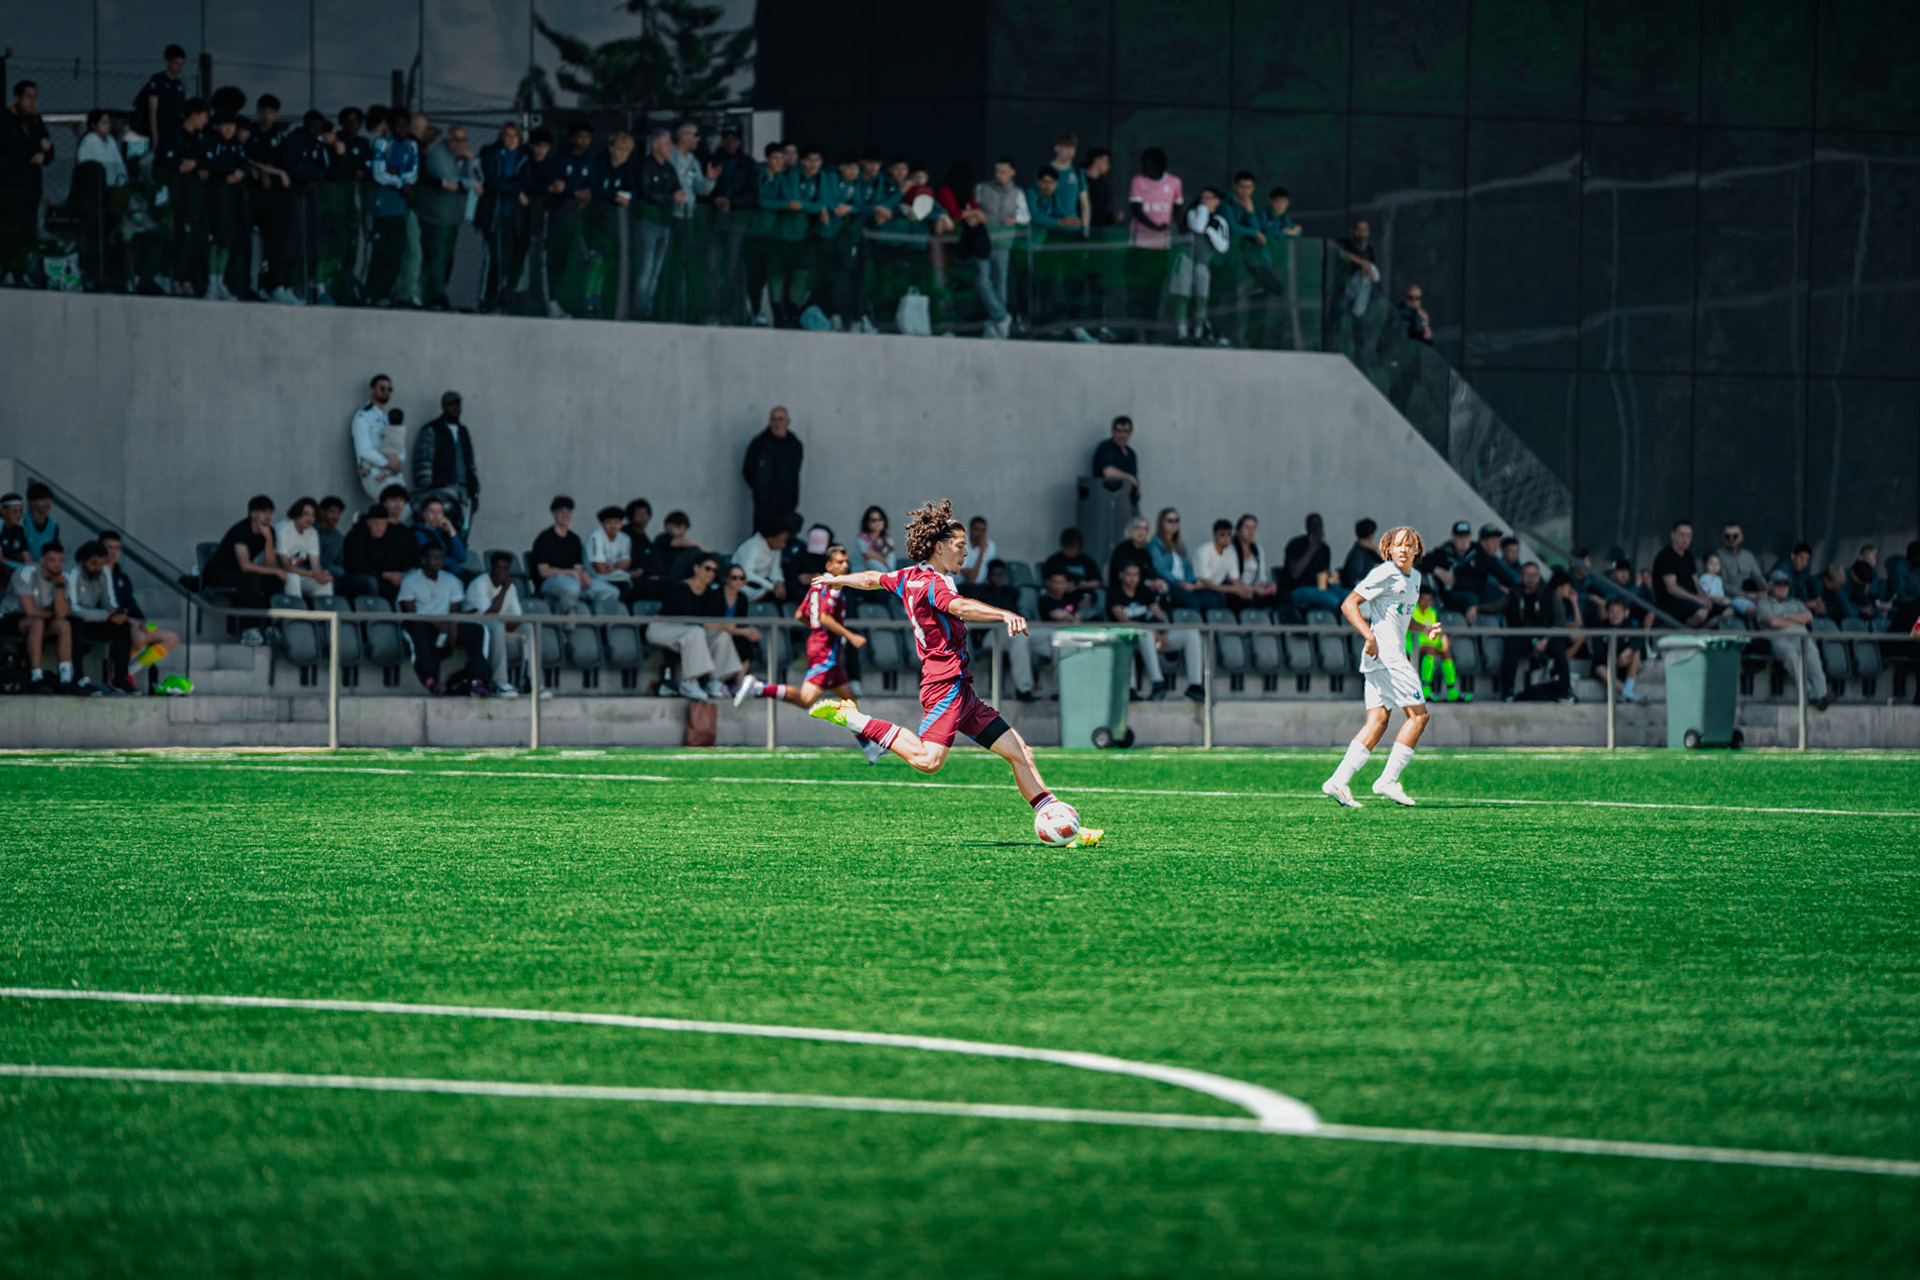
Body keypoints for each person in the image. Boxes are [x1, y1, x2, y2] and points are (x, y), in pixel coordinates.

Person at [804, 501, 1102, 844]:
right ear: (940, 547)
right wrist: (1003, 614)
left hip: (962, 690)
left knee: (1020, 752)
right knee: (928, 761)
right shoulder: (933, 584)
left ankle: (1063, 824)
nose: (966, 554)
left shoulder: (908, 576)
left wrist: (838, 579)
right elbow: (959, 606)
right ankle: (853, 718)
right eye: (961, 547)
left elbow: (872, 578)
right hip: (944, 686)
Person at [735, 544, 886, 760]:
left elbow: (799, 615)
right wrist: (849, 635)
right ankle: (759, 687)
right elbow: (824, 617)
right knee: (807, 699)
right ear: (828, 565)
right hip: (826, 650)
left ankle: (869, 746)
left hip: (821, 645)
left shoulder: (818, 585)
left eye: (846, 562)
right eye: (839, 562)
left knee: (849, 700)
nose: (845, 566)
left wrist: (817, 629)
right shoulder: (832, 588)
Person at [1323, 526, 1437, 808]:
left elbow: (1399, 615)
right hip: (1387, 657)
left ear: (1417, 550)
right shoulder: (1384, 572)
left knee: (1378, 721)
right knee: (1419, 717)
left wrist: (1423, 628)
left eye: (1408, 545)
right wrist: (1369, 635)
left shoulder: (1416, 578)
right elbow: (1349, 604)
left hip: (1382, 658)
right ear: (1388, 549)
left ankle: (1338, 781)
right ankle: (1387, 780)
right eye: (1397, 545)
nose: (1402, 549)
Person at [649, 553, 745, 701]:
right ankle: (689, 682)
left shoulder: (709, 593)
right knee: (695, 631)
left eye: (714, 571)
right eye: (707, 569)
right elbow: (689, 619)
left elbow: (709, 620)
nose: (711, 573)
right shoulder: (682, 588)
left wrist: (723, 628)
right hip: (661, 629)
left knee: (721, 636)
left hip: (688, 632)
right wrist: (722, 626)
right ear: (696, 568)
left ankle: (715, 681)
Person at [1108, 560, 1206, 703]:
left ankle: (1195, 685)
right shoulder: (1115, 592)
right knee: (1145, 633)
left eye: (1135, 575)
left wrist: (1163, 633)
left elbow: (1159, 615)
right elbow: (1123, 620)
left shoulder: (1143, 590)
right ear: (1121, 575)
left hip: (1153, 638)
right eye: (1128, 575)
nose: (1132, 578)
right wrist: (1153, 632)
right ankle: (1157, 683)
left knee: (1191, 633)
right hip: (1127, 640)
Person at [98, 529, 180, 691]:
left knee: (172, 638)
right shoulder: (96, 574)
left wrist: (140, 621)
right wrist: (130, 621)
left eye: (117, 548)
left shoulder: (122, 577)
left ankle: (128, 672)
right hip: (111, 622)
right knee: (139, 638)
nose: (113, 552)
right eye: (109, 547)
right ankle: (116, 672)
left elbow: (132, 604)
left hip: (132, 622)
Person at [419, 124, 482, 311]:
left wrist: (471, 161)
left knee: (447, 259)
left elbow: (479, 180)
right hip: (435, 217)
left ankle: (440, 293)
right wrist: (470, 184)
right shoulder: (437, 156)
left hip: (452, 218)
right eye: (457, 140)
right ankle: (432, 297)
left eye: (464, 140)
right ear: (449, 140)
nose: (461, 144)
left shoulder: (462, 158)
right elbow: (451, 183)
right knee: (436, 258)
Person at [209, 495, 287, 643]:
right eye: (264, 512)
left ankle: (271, 627)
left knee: (274, 579)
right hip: (219, 572)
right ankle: (249, 629)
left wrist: (269, 540)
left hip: (240, 572)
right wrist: (276, 570)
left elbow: (269, 565)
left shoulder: (269, 532)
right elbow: (245, 566)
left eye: (270, 512)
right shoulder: (241, 530)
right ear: (253, 513)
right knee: (250, 577)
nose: (268, 516)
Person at [4, 541, 79, 693]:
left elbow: (63, 614)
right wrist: (54, 614)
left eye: (60, 561)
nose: (57, 565)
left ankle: (66, 678)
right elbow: (30, 610)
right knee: (37, 623)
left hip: (41, 620)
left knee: (64, 626)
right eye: (52, 560)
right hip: (10, 617)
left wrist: (59, 586)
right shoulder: (26, 572)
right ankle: (36, 676)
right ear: (43, 560)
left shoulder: (63, 579)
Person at [1756, 567, 1834, 712]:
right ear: (1771, 585)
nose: (1782, 587)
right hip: (1779, 639)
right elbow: (1773, 623)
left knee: (1813, 656)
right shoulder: (1764, 603)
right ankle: (1810, 694)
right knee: (1792, 657)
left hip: (1801, 637)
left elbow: (1808, 616)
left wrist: (1785, 617)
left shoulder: (1795, 602)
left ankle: (1822, 695)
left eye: (1785, 584)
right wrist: (1796, 620)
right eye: (1778, 583)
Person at [1, 80, 54, 282]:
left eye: (35, 97)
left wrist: (44, 152)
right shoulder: (7, 119)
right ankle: (6, 268)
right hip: (11, 187)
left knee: (27, 233)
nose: (33, 102)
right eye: (28, 97)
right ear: (17, 98)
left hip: (31, 189)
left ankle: (20, 270)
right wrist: (35, 150)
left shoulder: (36, 121)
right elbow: (13, 146)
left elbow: (48, 149)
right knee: (9, 230)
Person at [396, 542, 466, 694]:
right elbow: (410, 612)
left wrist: (452, 627)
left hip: (445, 626)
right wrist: (438, 624)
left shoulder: (451, 580)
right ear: (424, 560)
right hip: (421, 624)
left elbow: (455, 609)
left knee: (478, 631)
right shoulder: (410, 580)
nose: (438, 562)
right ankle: (429, 678)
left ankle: (476, 679)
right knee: (418, 631)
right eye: (434, 558)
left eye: (440, 558)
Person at [65, 540, 134, 691]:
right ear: (83, 560)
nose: (97, 567)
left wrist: (116, 614)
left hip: (95, 618)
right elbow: (72, 609)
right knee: (76, 624)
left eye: (101, 563)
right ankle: (78, 678)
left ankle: (120, 679)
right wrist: (105, 614)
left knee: (122, 626)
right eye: (94, 563)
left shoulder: (104, 572)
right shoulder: (72, 572)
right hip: (72, 620)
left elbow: (109, 601)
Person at [532, 495, 618, 614]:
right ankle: (568, 617)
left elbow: (578, 567)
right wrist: (569, 573)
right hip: (551, 582)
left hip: (573, 580)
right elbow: (544, 572)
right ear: (554, 514)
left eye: (568, 511)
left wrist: (584, 575)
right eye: (561, 511)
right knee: (573, 588)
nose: (565, 514)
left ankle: (594, 619)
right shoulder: (544, 538)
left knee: (611, 591)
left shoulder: (574, 539)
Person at [411, 390, 481, 535]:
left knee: (461, 531)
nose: (455, 408)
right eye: (451, 404)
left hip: (463, 492)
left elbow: (470, 464)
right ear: (443, 406)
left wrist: (475, 493)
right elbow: (423, 462)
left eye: (457, 404)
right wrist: (428, 493)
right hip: (440, 490)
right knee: (440, 531)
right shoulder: (431, 430)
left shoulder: (463, 431)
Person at [1500, 562, 1571, 701]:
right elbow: (1498, 606)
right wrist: (1477, 609)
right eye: (1528, 575)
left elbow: (1560, 622)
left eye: (1534, 575)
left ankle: (1565, 691)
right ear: (1521, 576)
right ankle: (1507, 690)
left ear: (1539, 576)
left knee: (1559, 649)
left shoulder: (1549, 593)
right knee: (1511, 646)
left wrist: (1545, 639)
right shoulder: (1515, 592)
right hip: (1527, 637)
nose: (1531, 579)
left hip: (1548, 637)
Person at [462, 550, 523, 698]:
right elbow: (490, 615)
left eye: (506, 569)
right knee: (496, 625)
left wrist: (512, 623)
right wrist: (504, 590)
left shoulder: (510, 587)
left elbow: (517, 617)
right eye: (498, 568)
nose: (502, 572)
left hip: (498, 628)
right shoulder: (479, 584)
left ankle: (532, 682)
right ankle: (500, 682)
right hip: (476, 629)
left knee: (529, 628)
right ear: (491, 568)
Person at [742, 406, 803, 533]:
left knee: (784, 538)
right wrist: (760, 488)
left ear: (788, 422)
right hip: (765, 505)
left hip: (787, 504)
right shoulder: (760, 444)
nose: (777, 423)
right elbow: (748, 471)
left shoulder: (794, 444)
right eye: (773, 420)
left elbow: (796, 468)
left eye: (780, 419)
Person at [340, 503, 416, 601]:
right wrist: (383, 574)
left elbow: (393, 560)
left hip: (383, 577)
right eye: (376, 524)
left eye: (383, 524)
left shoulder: (388, 538)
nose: (380, 528)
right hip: (359, 577)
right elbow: (355, 565)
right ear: (368, 522)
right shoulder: (355, 536)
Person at [1147, 507, 1217, 611]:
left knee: (1212, 599)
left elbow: (1187, 568)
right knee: (1192, 601)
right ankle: (1194, 627)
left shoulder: (1180, 545)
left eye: (1176, 520)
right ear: (1162, 522)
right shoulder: (1155, 544)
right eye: (1170, 520)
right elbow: (1160, 569)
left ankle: (1211, 627)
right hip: (1170, 584)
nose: (1174, 523)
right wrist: (1180, 583)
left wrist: (1193, 582)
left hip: (1185, 582)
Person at [1408, 584, 1467, 703]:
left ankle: (1452, 690)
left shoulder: (1433, 612)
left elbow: (1437, 630)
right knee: (1431, 651)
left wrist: (1443, 639)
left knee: (1446, 653)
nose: (1427, 602)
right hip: (1412, 645)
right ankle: (1425, 689)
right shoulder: (1411, 611)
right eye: (1423, 599)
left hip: (1431, 644)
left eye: (1429, 600)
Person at [352, 375, 405, 501]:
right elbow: (363, 450)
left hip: (394, 473)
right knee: (394, 510)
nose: (386, 392)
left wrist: (399, 460)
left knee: (405, 512)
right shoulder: (363, 416)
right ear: (372, 390)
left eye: (389, 389)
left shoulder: (390, 417)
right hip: (375, 474)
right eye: (382, 388)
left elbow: (400, 443)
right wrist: (387, 463)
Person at [1279, 513, 1345, 615]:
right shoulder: (1296, 545)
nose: (1317, 528)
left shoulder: (1325, 549)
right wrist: (1312, 548)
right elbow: (1295, 573)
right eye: (1314, 525)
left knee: (1349, 597)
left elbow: (1325, 575)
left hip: (1319, 588)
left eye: (1319, 525)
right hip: (1297, 588)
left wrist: (1334, 577)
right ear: (1307, 527)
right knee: (1333, 600)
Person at [1652, 520, 1713, 627]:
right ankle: (1685, 633)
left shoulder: (1689, 556)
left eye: (1688, 536)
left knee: (1727, 610)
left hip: (1692, 602)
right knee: (1701, 613)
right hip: (1671, 603)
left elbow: (1696, 582)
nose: (1685, 539)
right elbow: (1672, 588)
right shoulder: (1665, 556)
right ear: (1672, 535)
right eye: (1681, 535)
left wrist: (1704, 598)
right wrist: (1697, 600)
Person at [272, 497, 336, 599]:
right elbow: (285, 565)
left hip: (298, 572)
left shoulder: (312, 533)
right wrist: (310, 573)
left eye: (313, 515)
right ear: (297, 513)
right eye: (306, 514)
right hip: (275, 574)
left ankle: (324, 614)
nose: (309, 518)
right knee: (294, 578)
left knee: (325, 584)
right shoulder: (283, 529)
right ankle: (295, 613)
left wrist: (322, 575)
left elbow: (315, 564)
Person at [1587, 596, 1644, 703]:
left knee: (1636, 652)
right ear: (1607, 613)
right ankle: (1629, 694)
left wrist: (1629, 650)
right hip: (1606, 667)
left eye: (1619, 612)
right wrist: (1615, 661)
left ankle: (1626, 692)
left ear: (1625, 613)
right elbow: (1598, 655)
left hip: (1624, 667)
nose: (1615, 615)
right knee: (1599, 668)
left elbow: (1640, 639)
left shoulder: (1630, 625)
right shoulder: (1600, 627)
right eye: (1612, 612)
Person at [411, 496, 468, 575]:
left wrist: (452, 532)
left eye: (439, 512)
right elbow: (429, 557)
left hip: (449, 575)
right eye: (432, 512)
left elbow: (461, 557)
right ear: (423, 514)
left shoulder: (444, 533)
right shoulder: (418, 533)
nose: (436, 516)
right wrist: (452, 564)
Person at [587, 505, 634, 601]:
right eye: (609, 522)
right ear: (602, 524)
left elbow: (626, 565)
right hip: (598, 579)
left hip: (620, 578)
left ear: (621, 524)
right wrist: (617, 565)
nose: (613, 526)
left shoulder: (625, 538)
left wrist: (611, 567)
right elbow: (600, 569)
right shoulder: (596, 537)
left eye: (616, 522)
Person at [1092, 415, 1140, 504]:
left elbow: (1134, 478)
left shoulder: (1131, 453)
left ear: (1130, 433)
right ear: (1112, 431)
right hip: (1109, 502)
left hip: (1129, 502)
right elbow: (1108, 472)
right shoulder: (1106, 448)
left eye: (1125, 431)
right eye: (1118, 431)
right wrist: (1129, 478)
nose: (1122, 435)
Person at [1341, 517, 1383, 588]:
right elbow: (1354, 580)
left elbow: (1386, 561)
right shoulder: (1358, 553)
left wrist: (1374, 548)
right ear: (1371, 535)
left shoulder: (1369, 551)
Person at [21, 483, 59, 562]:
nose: (47, 503)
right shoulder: (22, 521)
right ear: (32, 502)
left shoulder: (53, 525)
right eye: (42, 499)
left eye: (49, 499)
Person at [856, 506, 894, 572]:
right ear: (867, 523)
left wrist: (877, 557)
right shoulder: (861, 539)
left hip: (884, 570)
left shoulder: (887, 538)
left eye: (880, 519)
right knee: (871, 561)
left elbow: (890, 559)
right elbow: (868, 556)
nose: (877, 522)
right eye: (873, 520)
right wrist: (883, 560)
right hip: (862, 573)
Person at [0, 492, 27, 580]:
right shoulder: (1, 528)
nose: (18, 515)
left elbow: (26, 555)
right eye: (14, 511)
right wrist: (20, 567)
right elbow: (1, 559)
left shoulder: (19, 530)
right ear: (3, 511)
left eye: (20, 511)